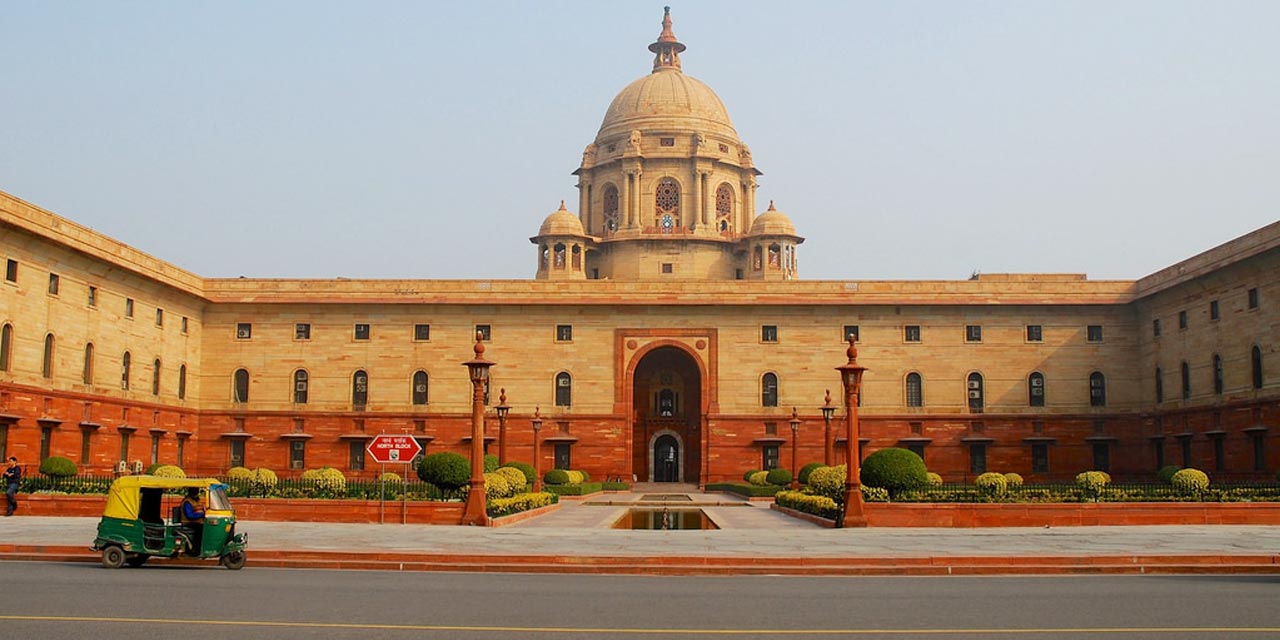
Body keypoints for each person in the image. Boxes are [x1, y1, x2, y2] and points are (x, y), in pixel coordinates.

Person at [179, 487, 205, 554]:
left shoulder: (197, 500)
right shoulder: (187, 502)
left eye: (196, 490)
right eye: (194, 490)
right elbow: (189, 515)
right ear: (190, 491)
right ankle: (195, 549)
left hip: (198, 522)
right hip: (188, 522)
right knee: (200, 529)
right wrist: (202, 514)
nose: (196, 492)